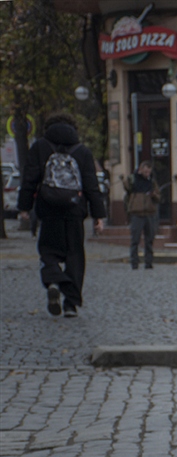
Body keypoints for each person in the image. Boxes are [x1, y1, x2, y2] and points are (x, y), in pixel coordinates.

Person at [17, 111, 106, 317]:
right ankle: (71, 304)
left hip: (48, 210)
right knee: (75, 254)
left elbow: (29, 179)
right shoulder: (82, 151)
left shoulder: (40, 147)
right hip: (75, 210)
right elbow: (92, 186)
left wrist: (24, 207)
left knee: (48, 250)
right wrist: (98, 215)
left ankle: (54, 281)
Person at [123, 161, 161, 269]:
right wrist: (133, 175)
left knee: (149, 240)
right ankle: (134, 262)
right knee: (135, 239)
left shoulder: (152, 182)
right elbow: (126, 186)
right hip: (136, 213)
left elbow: (159, 197)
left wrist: (154, 195)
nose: (147, 173)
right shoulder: (133, 180)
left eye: (149, 171)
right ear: (141, 170)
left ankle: (148, 262)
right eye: (145, 171)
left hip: (149, 213)